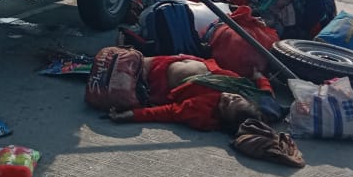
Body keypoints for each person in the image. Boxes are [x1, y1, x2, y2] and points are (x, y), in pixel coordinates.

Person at [106, 55, 271, 133]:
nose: (228, 97)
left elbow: (168, 112)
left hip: (156, 75)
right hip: (183, 58)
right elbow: (265, 93)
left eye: (226, 104)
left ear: (222, 115)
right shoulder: (244, 90)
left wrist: (132, 115)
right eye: (235, 98)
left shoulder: (202, 111)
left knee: (114, 63)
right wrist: (260, 77)